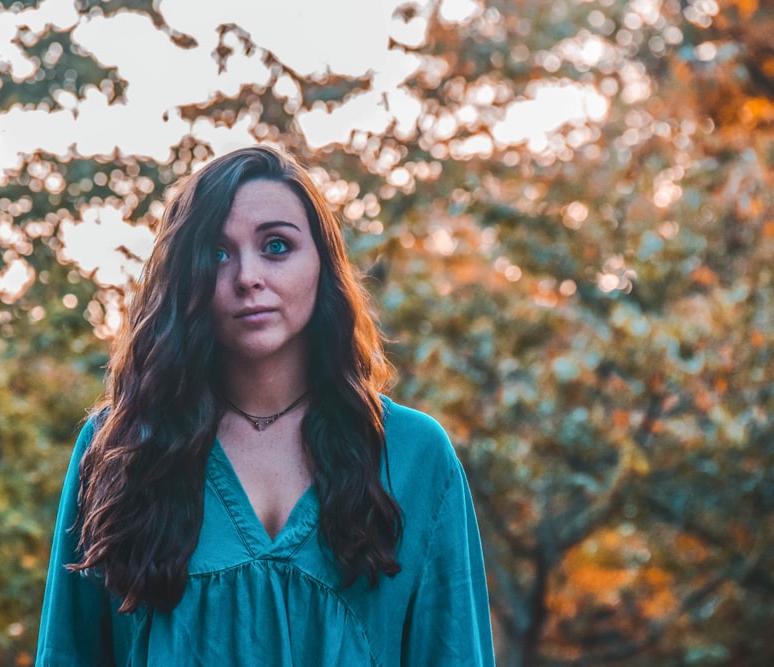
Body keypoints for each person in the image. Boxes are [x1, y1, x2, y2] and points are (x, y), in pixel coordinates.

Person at [36, 145, 494, 665]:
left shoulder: (412, 455)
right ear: (186, 278)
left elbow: (452, 651)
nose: (247, 276)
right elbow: (67, 653)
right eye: (217, 253)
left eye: (276, 246)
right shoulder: (119, 448)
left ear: (323, 264)